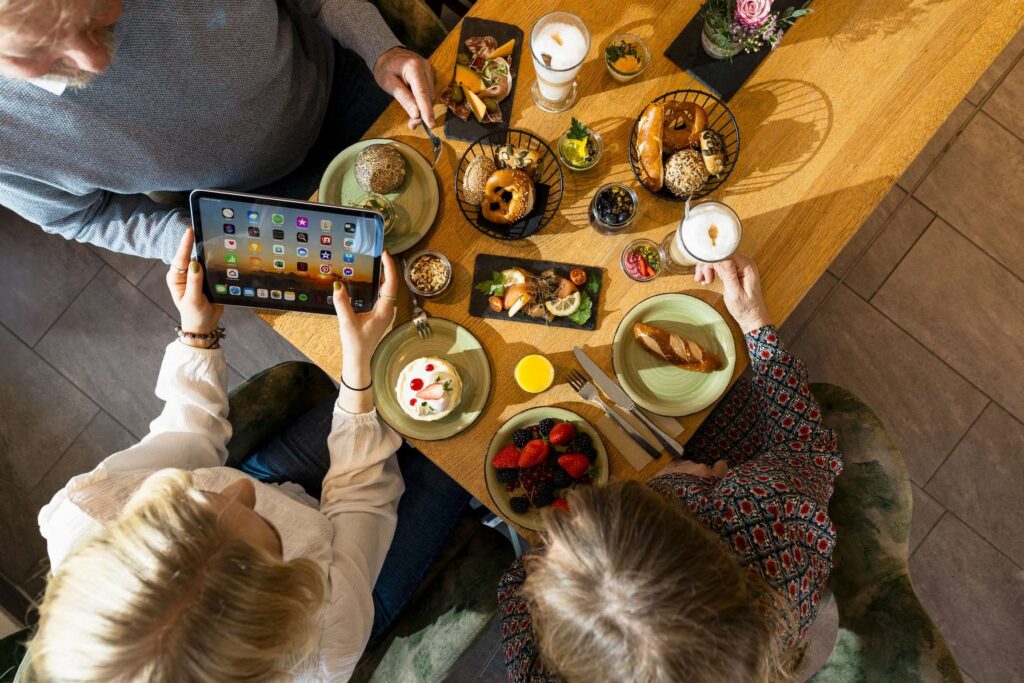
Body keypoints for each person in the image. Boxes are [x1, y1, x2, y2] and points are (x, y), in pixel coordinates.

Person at [23, 229, 468, 681]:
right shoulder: (323, 643)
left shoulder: (87, 512)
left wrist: (197, 333)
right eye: (268, 539)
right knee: (460, 459)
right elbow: (361, 502)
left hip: (294, 502)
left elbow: (189, 438)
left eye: (189, 497)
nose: (240, 487)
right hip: (347, 585)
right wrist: (357, 379)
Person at [498, 255, 843, 683]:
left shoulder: (537, 672)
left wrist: (672, 483)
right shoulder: (773, 533)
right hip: (742, 490)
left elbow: (515, 583)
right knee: (734, 395)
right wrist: (755, 322)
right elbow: (804, 445)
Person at [0, 0, 436, 260]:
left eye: (95, 16)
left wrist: (380, 49)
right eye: (43, 53)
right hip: (259, 211)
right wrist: (192, 242)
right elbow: (82, 216)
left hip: (344, 78)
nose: (95, 63)